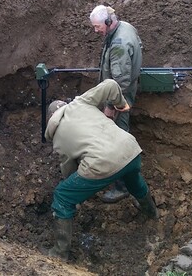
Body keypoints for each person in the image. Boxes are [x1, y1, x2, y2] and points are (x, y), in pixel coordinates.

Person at [44, 79, 158, 261]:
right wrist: (120, 104)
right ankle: (152, 213)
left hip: (102, 163)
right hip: (130, 149)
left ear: (51, 118)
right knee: (132, 179)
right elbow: (111, 85)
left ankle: (59, 253)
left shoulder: (58, 138)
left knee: (62, 196)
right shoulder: (80, 102)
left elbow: (69, 170)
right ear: (65, 105)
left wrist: (77, 194)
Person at [90, 4, 144, 203]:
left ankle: (122, 186)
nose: (96, 31)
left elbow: (120, 82)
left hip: (120, 99)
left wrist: (110, 107)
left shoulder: (119, 43)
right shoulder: (124, 28)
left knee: (117, 141)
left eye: (97, 27)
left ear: (108, 21)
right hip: (122, 95)